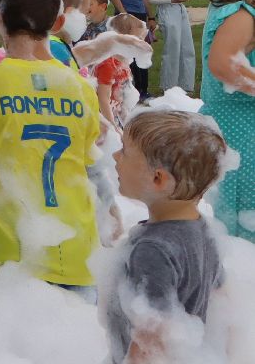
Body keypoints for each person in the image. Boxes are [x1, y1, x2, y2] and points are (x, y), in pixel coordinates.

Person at [0, 0, 102, 294]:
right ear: (59, 23)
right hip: (77, 249)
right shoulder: (82, 89)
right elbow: (85, 161)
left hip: (9, 256)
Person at [104, 110, 227, 364]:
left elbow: (150, 340)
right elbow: (221, 299)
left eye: (124, 151)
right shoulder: (205, 231)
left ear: (158, 179)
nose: (115, 157)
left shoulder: (152, 250)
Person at [196, 0, 255, 242]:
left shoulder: (225, 9)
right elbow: (223, 64)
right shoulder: (240, 15)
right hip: (242, 128)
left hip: (230, 122)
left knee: (234, 207)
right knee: (246, 204)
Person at [147, 0, 195, 95]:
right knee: (172, 49)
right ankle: (169, 87)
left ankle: (185, 85)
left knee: (187, 48)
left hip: (180, 9)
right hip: (166, 10)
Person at [109, 0, 153, 97]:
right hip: (127, 16)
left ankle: (144, 90)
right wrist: (125, 16)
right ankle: (131, 92)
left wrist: (151, 16)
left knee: (143, 51)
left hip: (141, 15)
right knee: (129, 55)